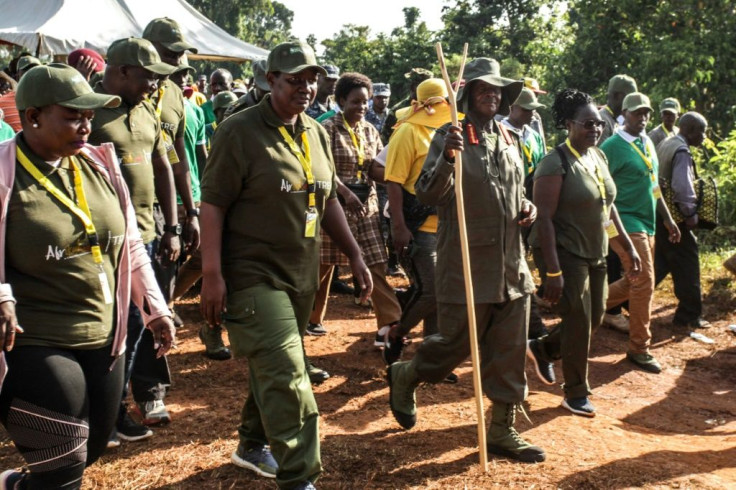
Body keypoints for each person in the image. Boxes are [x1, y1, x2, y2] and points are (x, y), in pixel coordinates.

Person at [199, 41, 372, 490]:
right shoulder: (238, 132)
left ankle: (251, 444)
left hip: (301, 271)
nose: (306, 87)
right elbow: (213, 205)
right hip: (253, 273)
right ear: (269, 79)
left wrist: (354, 254)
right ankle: (299, 476)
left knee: (276, 363)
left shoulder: (314, 132)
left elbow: (327, 195)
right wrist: (212, 274)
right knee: (289, 374)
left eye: (312, 79)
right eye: (295, 79)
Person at [0, 63, 174, 489]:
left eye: (89, 116)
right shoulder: (4, 171)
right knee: (63, 465)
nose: (85, 126)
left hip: (102, 332)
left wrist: (155, 309)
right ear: (33, 116)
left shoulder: (99, 164)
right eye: (73, 115)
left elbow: (130, 244)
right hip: (32, 336)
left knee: (91, 449)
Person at [387, 57, 545, 463]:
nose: (491, 95)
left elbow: (516, 192)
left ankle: (502, 429)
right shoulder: (450, 135)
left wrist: (529, 207)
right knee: (454, 343)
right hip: (468, 262)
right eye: (482, 89)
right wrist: (448, 159)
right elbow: (426, 192)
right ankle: (408, 374)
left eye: (497, 90)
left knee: (510, 350)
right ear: (468, 95)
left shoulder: (510, 139)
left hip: (512, 265)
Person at [88, 37, 180, 442]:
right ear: (122, 71)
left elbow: (164, 167)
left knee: (141, 323)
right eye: (147, 76)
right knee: (115, 330)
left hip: (147, 235)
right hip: (103, 245)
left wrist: (176, 224)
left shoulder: (146, 111)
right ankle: (105, 414)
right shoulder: (87, 114)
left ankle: (129, 403)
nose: (153, 85)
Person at [526, 89, 639, 417]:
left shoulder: (599, 157)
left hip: (596, 251)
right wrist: (552, 271)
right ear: (568, 124)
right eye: (587, 124)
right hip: (564, 252)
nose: (595, 130)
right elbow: (543, 218)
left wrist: (628, 247)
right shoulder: (554, 162)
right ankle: (575, 392)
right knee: (578, 319)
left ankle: (543, 348)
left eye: (599, 124)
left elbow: (608, 206)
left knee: (595, 316)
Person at [307, 73, 402, 355]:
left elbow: (376, 166)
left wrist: (400, 179)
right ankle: (310, 319)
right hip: (333, 205)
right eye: (355, 101)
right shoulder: (327, 129)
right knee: (323, 265)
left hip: (366, 207)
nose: (362, 107)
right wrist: (345, 194)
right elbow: (319, 168)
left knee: (376, 263)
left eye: (365, 102)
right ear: (340, 101)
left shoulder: (371, 131)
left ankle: (390, 326)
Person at [601, 92, 681, 374]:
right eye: (637, 113)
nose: (643, 118)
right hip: (622, 222)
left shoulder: (647, 142)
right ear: (624, 114)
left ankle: (587, 308)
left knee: (634, 279)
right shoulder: (611, 146)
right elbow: (600, 187)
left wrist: (669, 219)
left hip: (647, 222)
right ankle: (639, 348)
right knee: (644, 280)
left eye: (646, 113)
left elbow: (654, 184)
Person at [383, 78, 455, 370]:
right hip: (419, 226)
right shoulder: (408, 132)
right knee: (432, 291)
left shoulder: (455, 132)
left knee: (442, 294)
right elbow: (393, 181)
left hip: (449, 226)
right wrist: (399, 226)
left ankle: (432, 356)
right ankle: (398, 333)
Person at [655, 112, 711, 329]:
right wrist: (691, 216)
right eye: (702, 131)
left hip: (660, 214)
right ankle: (688, 316)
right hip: (675, 217)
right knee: (688, 261)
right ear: (689, 130)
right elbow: (682, 188)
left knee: (662, 262)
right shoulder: (681, 150)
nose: (704, 136)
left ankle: (624, 302)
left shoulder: (667, 142)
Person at [598, 74, 638, 332]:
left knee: (614, 254)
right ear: (616, 97)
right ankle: (610, 311)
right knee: (612, 255)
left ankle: (616, 303)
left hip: (616, 201)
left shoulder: (617, 121)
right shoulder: (602, 121)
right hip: (604, 203)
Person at [381, 68, 433, 144]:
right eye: (422, 86)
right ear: (412, 87)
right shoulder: (398, 110)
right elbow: (386, 139)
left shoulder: (437, 107)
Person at [598, 74, 637, 145]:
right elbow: (601, 154)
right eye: (629, 98)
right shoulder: (603, 120)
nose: (633, 102)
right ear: (616, 96)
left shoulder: (614, 119)